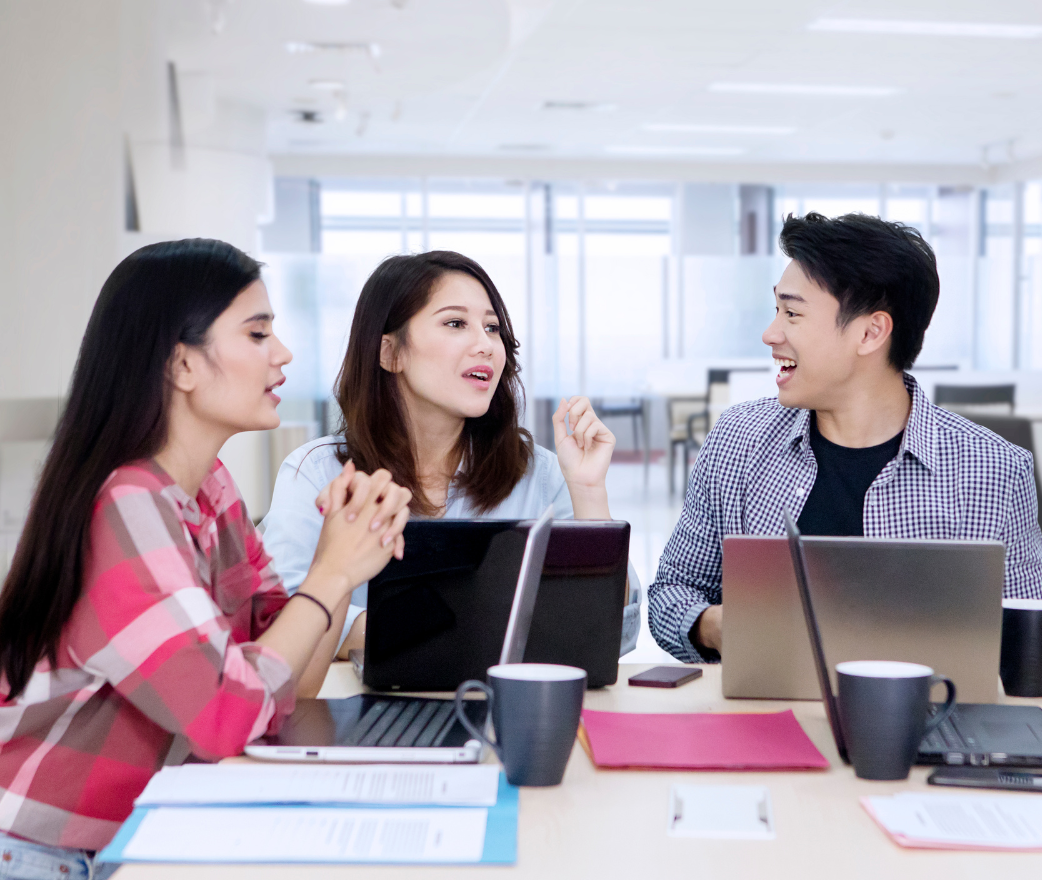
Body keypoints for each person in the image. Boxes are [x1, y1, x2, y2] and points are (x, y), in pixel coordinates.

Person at [0, 239, 411, 865]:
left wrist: (346, 543)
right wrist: (333, 573)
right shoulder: (124, 506)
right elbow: (226, 717)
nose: (282, 353)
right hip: (45, 852)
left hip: (139, 834)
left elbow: (291, 677)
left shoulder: (208, 487)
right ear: (182, 365)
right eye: (257, 333)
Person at [649, 212, 1042, 662]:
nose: (770, 333)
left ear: (870, 332)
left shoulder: (995, 471)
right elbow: (672, 592)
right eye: (777, 310)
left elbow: (1025, 643)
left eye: (792, 313)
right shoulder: (737, 440)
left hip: (928, 705)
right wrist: (713, 627)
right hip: (764, 703)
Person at [261, 250, 640, 658]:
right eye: (456, 323)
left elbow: (614, 632)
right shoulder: (317, 473)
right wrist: (471, 629)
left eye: (492, 328)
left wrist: (588, 492)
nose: (486, 345)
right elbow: (281, 619)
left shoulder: (540, 473)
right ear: (390, 352)